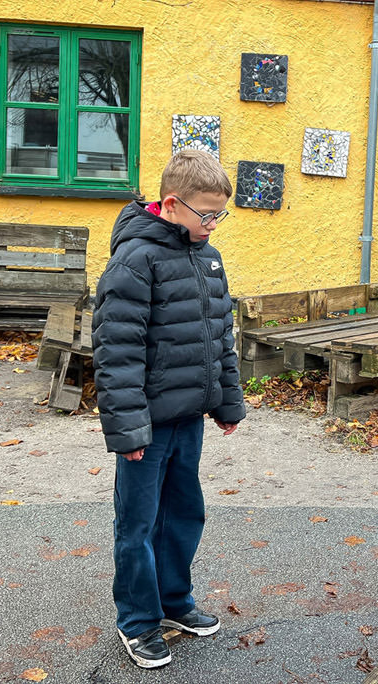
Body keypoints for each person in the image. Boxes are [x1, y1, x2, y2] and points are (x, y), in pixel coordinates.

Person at [92, 149, 246, 670]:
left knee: (183, 514)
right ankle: (137, 620)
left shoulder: (208, 256)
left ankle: (174, 603)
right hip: (148, 426)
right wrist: (129, 429)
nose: (214, 223)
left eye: (220, 214)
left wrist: (227, 402)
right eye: (207, 213)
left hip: (190, 418)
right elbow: (117, 351)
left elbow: (219, 336)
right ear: (173, 204)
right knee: (138, 523)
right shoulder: (135, 259)